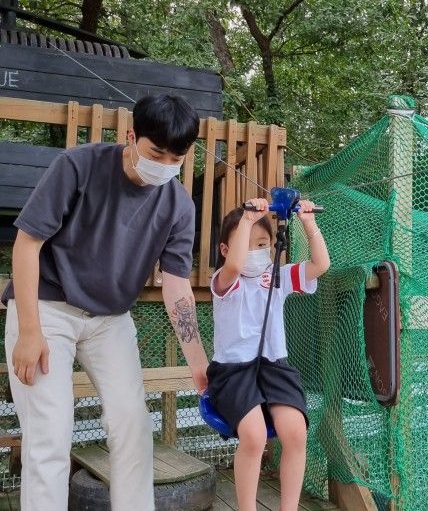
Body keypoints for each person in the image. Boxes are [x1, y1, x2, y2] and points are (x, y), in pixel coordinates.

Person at [2, 94, 209, 510]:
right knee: (50, 434)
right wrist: (28, 330)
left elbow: (176, 287)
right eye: (156, 153)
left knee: (133, 427)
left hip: (110, 320)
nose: (166, 164)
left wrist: (199, 362)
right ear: (131, 136)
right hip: (47, 309)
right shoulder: (78, 166)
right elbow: (27, 244)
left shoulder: (178, 206)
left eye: (177, 157)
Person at [208, 198, 329, 511]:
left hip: (274, 367)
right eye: (245, 244)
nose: (255, 251)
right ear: (225, 249)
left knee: (296, 432)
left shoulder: (279, 275)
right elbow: (235, 266)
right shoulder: (224, 281)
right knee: (254, 435)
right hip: (234, 372)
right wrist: (247, 220)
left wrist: (309, 224)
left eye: (262, 243)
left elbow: (321, 265)